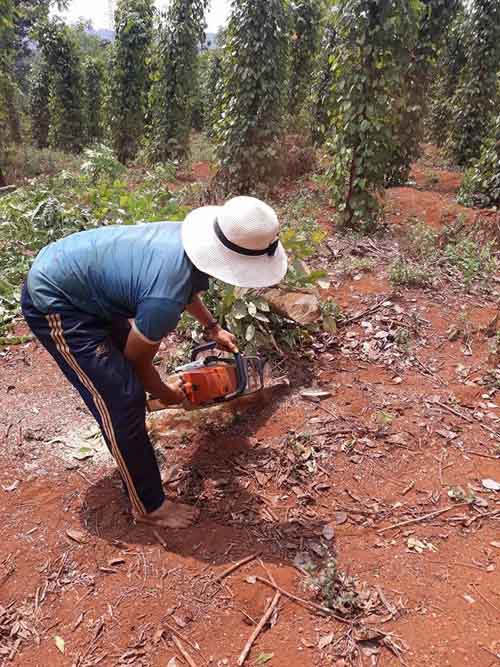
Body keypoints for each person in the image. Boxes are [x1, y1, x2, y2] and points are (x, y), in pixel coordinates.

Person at [21, 196, 288, 530]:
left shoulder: (185, 247)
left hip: (86, 286)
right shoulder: (163, 300)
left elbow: (185, 288)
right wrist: (167, 393)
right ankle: (148, 505)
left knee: (127, 385)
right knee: (122, 397)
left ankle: (135, 436)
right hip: (57, 300)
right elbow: (137, 359)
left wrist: (213, 327)